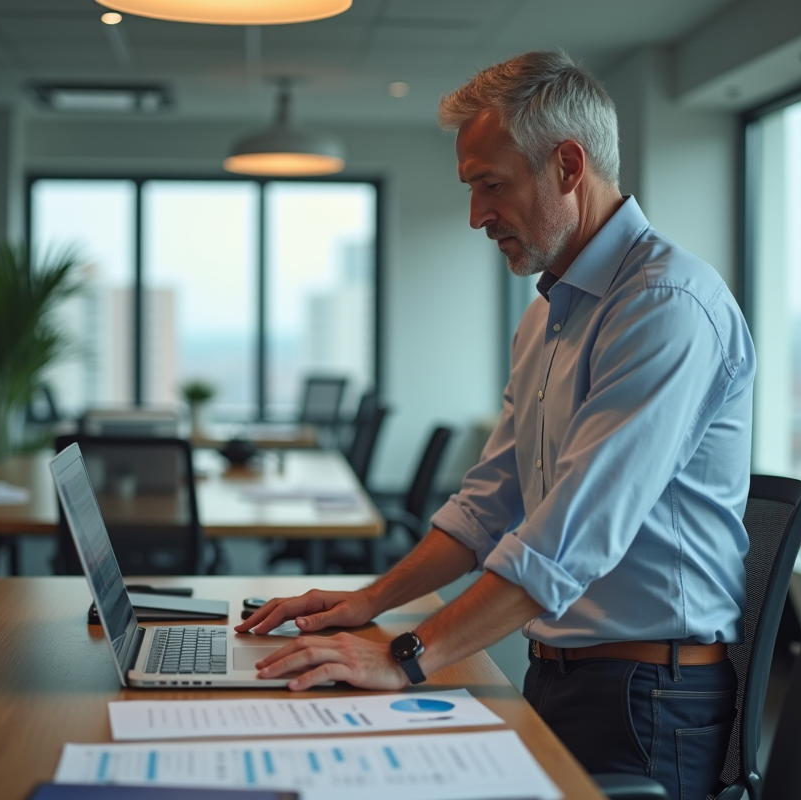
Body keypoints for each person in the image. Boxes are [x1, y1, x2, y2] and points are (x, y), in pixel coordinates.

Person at [236, 50, 755, 800]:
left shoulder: (665, 305)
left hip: (646, 702)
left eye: (491, 185)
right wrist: (371, 601)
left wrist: (408, 654)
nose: (477, 215)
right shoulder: (550, 310)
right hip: (556, 671)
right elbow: (488, 507)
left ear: (569, 165)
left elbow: (567, 538)